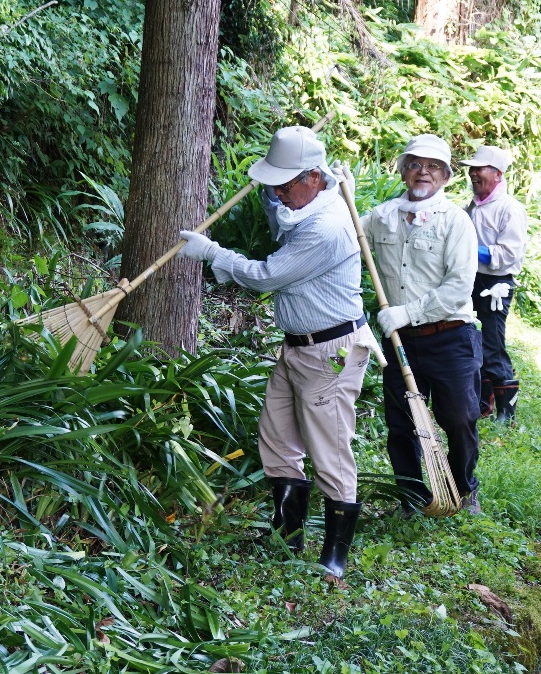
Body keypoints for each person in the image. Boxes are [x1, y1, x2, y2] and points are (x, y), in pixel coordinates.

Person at [176, 125, 378, 578]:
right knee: (278, 439)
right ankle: (287, 535)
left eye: (285, 186)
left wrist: (213, 253)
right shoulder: (306, 203)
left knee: (330, 451)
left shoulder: (326, 226)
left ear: (313, 177)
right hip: (297, 349)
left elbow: (268, 275)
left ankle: (334, 558)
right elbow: (282, 220)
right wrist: (271, 192)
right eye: (274, 186)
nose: (279, 195)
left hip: (331, 353)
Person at [359, 134, 482, 516]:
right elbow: (342, 235)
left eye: (432, 167)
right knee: (401, 423)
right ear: (403, 171)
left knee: (459, 418)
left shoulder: (457, 221)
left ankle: (464, 490)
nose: (422, 172)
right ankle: (412, 498)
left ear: (446, 176)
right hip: (400, 340)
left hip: (450, 336)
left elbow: (459, 286)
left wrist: (408, 312)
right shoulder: (381, 218)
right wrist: (332, 190)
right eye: (414, 165)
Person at [459, 145, 528, 425]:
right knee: (469, 340)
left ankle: (505, 412)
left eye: (479, 168)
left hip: (496, 285)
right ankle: (482, 405)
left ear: (498, 174)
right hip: (469, 279)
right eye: (471, 169)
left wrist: (471, 249)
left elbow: (509, 254)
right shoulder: (473, 205)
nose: (473, 173)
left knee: (493, 344)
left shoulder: (510, 209)